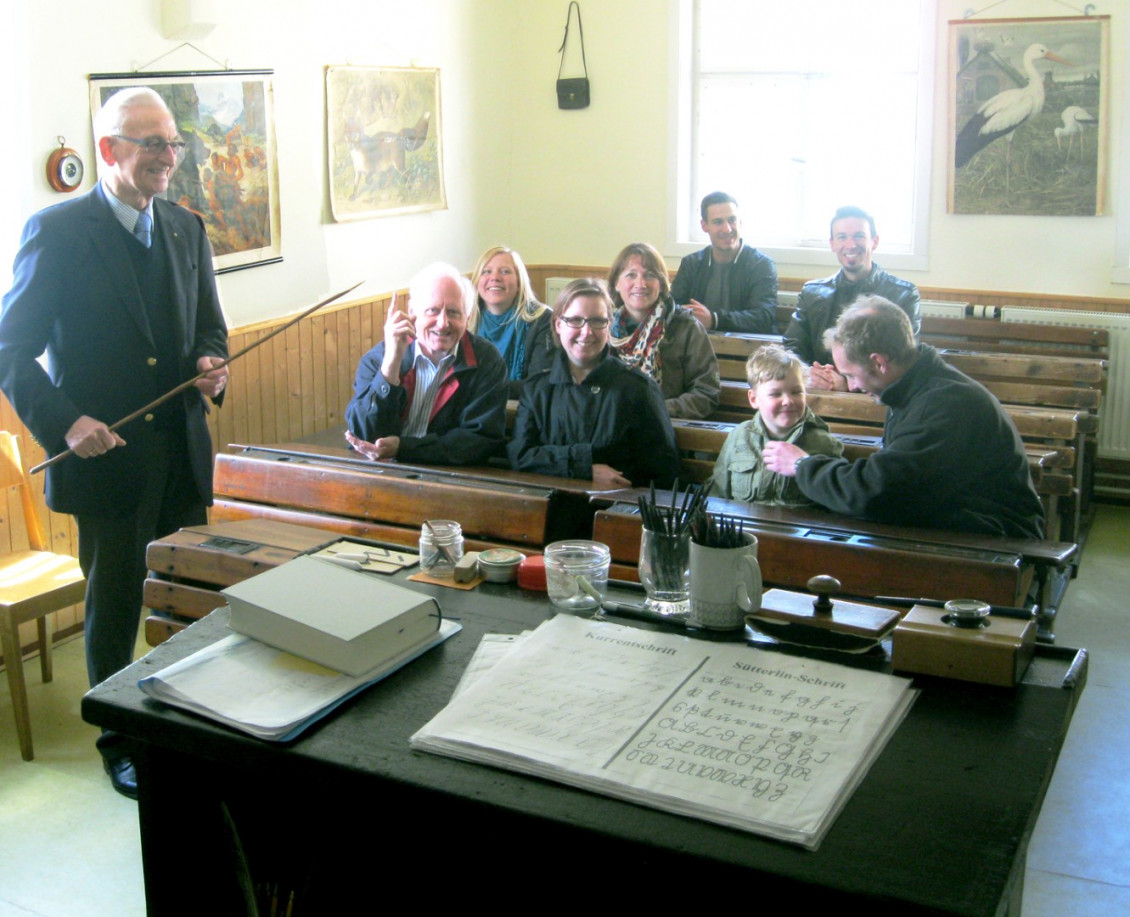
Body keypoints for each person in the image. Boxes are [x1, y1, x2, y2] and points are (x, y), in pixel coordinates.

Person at [0, 87, 229, 798]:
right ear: (109, 150)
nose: (169, 157)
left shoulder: (188, 228)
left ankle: (185, 719)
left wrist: (210, 366)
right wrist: (66, 421)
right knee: (118, 604)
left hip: (182, 452)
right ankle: (119, 737)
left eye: (173, 143)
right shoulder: (59, 231)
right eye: (153, 143)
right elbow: (10, 348)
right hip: (109, 464)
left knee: (183, 592)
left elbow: (211, 329)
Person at [764, 297, 1044, 539]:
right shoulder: (918, 387)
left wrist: (802, 465)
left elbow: (876, 493)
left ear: (878, 362)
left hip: (999, 537)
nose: (851, 387)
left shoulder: (944, 404)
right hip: (961, 521)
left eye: (850, 374)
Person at [508, 278, 679, 489]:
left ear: (610, 326)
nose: (587, 332)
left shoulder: (638, 389)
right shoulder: (537, 389)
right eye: (575, 320)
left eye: (598, 321)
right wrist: (583, 470)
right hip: (549, 510)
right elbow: (521, 456)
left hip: (616, 508)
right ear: (558, 325)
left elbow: (664, 471)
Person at [345, 261, 506, 465]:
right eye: (433, 311)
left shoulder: (486, 361)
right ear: (413, 312)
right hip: (380, 471)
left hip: (448, 476)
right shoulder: (379, 357)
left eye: (454, 312)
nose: (443, 323)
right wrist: (391, 365)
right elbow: (363, 432)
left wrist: (404, 448)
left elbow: (478, 441)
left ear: (468, 316)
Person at [785, 206, 920, 391]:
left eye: (858, 236)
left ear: (874, 241)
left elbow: (903, 361)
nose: (850, 244)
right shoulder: (812, 293)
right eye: (842, 237)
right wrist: (811, 375)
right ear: (832, 244)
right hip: (815, 392)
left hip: (877, 400)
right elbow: (792, 348)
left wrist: (847, 382)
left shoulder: (903, 295)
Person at [709, 345, 842, 505]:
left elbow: (834, 503)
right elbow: (717, 492)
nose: (788, 401)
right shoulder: (739, 437)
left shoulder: (824, 444)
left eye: (796, 392)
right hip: (744, 527)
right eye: (775, 394)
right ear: (753, 399)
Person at [607, 242, 720, 420]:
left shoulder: (686, 327)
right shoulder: (602, 329)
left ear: (662, 283)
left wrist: (654, 409)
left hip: (667, 426)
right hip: (610, 423)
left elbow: (706, 393)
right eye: (631, 275)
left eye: (650, 275)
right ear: (616, 283)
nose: (641, 283)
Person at [670, 191, 778, 333]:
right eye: (718, 222)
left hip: (749, 349)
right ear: (704, 226)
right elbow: (673, 308)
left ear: (740, 222)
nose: (727, 229)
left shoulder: (761, 265)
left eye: (732, 220)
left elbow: (763, 317)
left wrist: (714, 320)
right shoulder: (691, 264)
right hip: (696, 347)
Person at [467, 245, 553, 398]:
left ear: (519, 281)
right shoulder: (464, 318)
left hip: (524, 410)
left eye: (505, 271)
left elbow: (539, 385)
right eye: (486, 271)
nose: (495, 278)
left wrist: (482, 388)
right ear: (477, 281)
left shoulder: (543, 319)